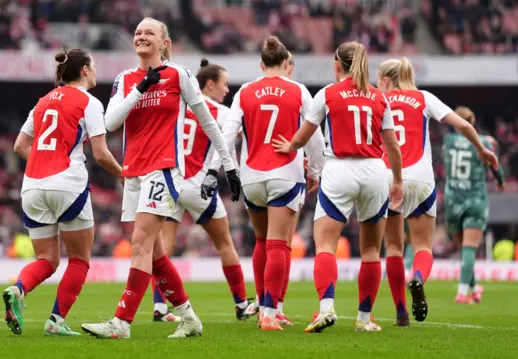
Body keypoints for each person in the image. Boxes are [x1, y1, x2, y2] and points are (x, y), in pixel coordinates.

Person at [81, 17, 240, 339]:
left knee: (139, 244)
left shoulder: (178, 75)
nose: (141, 36)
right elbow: (111, 122)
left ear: (164, 43)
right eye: (138, 32)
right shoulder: (126, 79)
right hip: (133, 172)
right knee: (153, 253)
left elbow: (209, 121)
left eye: (148, 33)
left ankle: (121, 322)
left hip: (164, 169)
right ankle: (190, 318)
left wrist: (229, 165)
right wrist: (141, 87)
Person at [273, 41, 404, 333]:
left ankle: (326, 308)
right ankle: (364, 319)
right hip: (374, 171)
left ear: (336, 65)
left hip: (339, 171)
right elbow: (393, 146)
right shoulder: (379, 98)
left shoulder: (328, 94)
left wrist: (290, 145)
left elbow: (305, 135)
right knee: (371, 249)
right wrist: (396, 180)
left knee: (326, 246)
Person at [208, 36, 325, 331]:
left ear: (261, 64)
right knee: (278, 244)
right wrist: (317, 171)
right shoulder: (298, 90)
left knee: (262, 241)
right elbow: (315, 135)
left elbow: (227, 135)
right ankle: (270, 313)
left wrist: (216, 170)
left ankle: (266, 305)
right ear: (286, 64)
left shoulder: (246, 91)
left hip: (252, 177)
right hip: (285, 174)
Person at [3, 48, 122, 336]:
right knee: (79, 259)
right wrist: (126, 174)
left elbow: (20, 145)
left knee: (46, 260)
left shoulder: (42, 103)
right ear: (84, 70)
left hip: (32, 185)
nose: (95, 71)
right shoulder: (89, 102)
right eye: (93, 66)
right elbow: (102, 154)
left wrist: (43, 160)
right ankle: (55, 321)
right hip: (67, 184)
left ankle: (18, 290)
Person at [376, 58, 500, 325]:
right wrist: (481, 149)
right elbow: (464, 125)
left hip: (387, 178)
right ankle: (418, 278)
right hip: (420, 180)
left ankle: (401, 312)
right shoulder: (423, 98)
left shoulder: (379, 101)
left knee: (395, 248)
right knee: (423, 246)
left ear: (387, 80)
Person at [150, 58, 257, 323]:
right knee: (225, 244)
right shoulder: (220, 112)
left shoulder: (178, 105)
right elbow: (236, 140)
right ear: (209, 85)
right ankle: (242, 304)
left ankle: (160, 307)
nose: (227, 90)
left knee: (164, 249)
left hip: (171, 182)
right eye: (224, 84)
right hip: (198, 184)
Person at [442, 106, 503, 304]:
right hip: (475, 200)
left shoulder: (447, 141)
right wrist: (500, 181)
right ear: (473, 120)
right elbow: (495, 167)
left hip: (452, 202)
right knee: (469, 248)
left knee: (464, 249)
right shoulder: (484, 143)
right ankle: (462, 292)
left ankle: (474, 289)